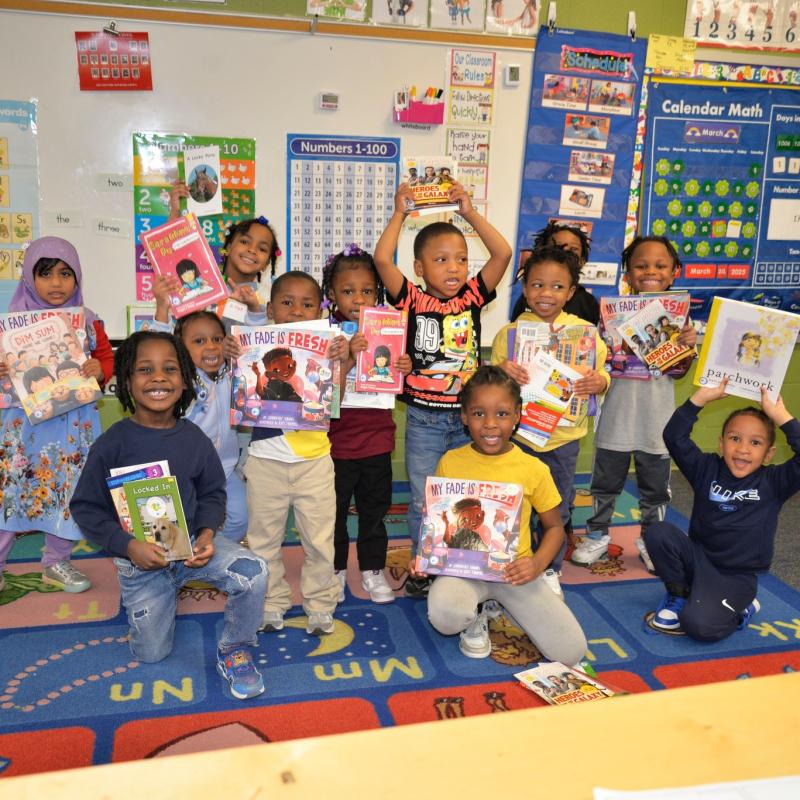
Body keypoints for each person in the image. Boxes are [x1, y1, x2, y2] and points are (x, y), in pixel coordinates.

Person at [69, 331, 267, 700]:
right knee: (151, 655)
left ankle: (236, 646)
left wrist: (207, 534)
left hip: (191, 546)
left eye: (170, 369)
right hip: (141, 560)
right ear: (126, 381)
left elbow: (212, 492)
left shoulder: (193, 438)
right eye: (145, 369)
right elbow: (85, 508)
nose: (158, 378)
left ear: (184, 381)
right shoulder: (112, 443)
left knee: (254, 572)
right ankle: (154, 597)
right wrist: (127, 546)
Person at [374, 181, 512, 596]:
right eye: (441, 260)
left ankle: (466, 559)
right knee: (424, 498)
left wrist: (468, 212)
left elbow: (503, 253)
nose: (454, 268)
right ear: (419, 269)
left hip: (469, 420)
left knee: (468, 498)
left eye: (462, 259)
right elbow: (382, 258)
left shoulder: (471, 297)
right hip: (424, 418)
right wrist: (400, 213)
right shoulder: (411, 300)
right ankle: (424, 564)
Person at [409, 366, 587, 663]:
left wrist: (537, 563)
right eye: (479, 414)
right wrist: (425, 557)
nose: (490, 424)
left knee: (571, 652)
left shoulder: (533, 469)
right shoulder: (450, 461)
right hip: (462, 572)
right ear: (464, 416)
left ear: (517, 415)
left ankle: (502, 605)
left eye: (502, 414)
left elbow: (555, 527)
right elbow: (436, 522)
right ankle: (476, 614)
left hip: (515, 573)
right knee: (445, 617)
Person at [572, 236, 697, 569]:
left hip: (657, 420)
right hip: (615, 413)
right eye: (640, 266)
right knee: (604, 483)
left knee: (655, 487)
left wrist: (686, 346)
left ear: (674, 272)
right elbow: (597, 358)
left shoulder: (680, 320)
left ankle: (652, 538)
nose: (650, 271)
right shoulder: (609, 312)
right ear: (627, 273)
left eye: (660, 266)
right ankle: (597, 534)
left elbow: (680, 372)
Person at [493, 246, 609, 596]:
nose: (547, 294)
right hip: (521, 437)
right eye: (538, 285)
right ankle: (513, 559)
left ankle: (549, 568)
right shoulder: (511, 333)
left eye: (558, 287)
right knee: (516, 500)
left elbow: (602, 374)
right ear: (525, 288)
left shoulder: (585, 333)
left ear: (571, 292)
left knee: (556, 503)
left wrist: (598, 382)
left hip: (562, 438)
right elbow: (494, 381)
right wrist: (502, 369)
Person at [645, 380, 800, 640]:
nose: (742, 449)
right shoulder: (706, 468)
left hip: (735, 577)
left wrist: (780, 416)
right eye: (735, 438)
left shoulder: (775, 482)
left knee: (700, 627)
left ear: (769, 453)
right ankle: (679, 594)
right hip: (698, 561)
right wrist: (700, 398)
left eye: (755, 443)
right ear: (721, 443)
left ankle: (743, 608)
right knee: (657, 532)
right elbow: (673, 436)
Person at [0, 237, 113, 594]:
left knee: (69, 493)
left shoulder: (88, 321)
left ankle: (56, 562)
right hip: (21, 428)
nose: (56, 282)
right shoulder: (8, 326)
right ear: (29, 278)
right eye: (45, 273)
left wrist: (99, 370)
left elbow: (106, 360)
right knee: (10, 492)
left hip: (72, 426)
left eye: (66, 274)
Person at [243, 271, 349, 634]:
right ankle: (271, 601)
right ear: (270, 308)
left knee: (319, 539)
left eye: (307, 304)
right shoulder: (254, 348)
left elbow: (336, 402)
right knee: (263, 539)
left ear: (319, 311)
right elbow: (244, 390)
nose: (297, 311)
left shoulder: (325, 350)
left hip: (314, 461)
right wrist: (234, 356)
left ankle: (320, 603)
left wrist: (340, 363)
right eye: (287, 302)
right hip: (266, 460)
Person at [322, 245, 412, 604]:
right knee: (335, 514)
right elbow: (324, 400)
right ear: (332, 294)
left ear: (378, 292)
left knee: (376, 512)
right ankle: (336, 570)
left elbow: (395, 388)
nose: (358, 299)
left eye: (367, 291)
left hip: (377, 443)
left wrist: (403, 370)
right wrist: (348, 358)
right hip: (336, 446)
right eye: (347, 291)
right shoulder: (327, 336)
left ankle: (373, 570)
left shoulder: (390, 329)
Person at [511, 221, 600, 326]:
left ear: (582, 260)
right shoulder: (530, 298)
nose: (565, 253)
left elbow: (591, 338)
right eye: (557, 247)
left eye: (573, 249)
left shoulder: (588, 302)